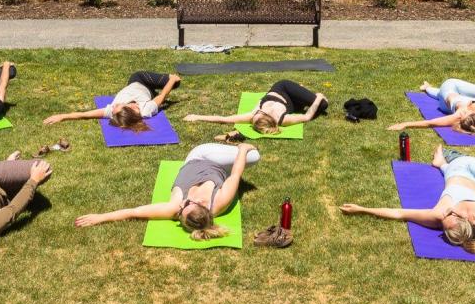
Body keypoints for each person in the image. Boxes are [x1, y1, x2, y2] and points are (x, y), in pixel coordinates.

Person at [340, 145, 475, 255]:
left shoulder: (438, 215)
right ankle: (446, 161)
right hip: (470, 173)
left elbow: (399, 213)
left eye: (444, 218)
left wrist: (362, 209)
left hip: (460, 169)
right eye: (447, 217)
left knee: (454, 169)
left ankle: (445, 161)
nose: (443, 215)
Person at [75, 142, 258, 239]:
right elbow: (236, 174)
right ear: (201, 205)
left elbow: (135, 212)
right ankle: (231, 147)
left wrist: (101, 217)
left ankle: (229, 148)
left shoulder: (174, 207)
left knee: (251, 155)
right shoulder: (220, 201)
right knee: (253, 155)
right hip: (204, 155)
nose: (179, 207)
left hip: (205, 162)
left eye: (180, 212)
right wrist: (242, 149)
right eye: (183, 209)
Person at [42, 71, 181, 132]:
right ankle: (167, 79)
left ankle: (163, 80)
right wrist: (172, 80)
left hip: (137, 80)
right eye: (118, 106)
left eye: (115, 107)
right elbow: (163, 96)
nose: (114, 106)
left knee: (172, 82)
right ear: (131, 108)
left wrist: (62, 116)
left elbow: (85, 115)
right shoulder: (147, 110)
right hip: (145, 86)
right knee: (175, 83)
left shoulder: (112, 112)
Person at [183, 80, 327, 136]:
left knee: (321, 104)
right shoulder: (283, 120)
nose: (256, 112)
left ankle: (300, 91)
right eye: (258, 112)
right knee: (323, 104)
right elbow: (307, 117)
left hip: (284, 88)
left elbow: (224, 119)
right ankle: (301, 94)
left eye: (258, 113)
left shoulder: (252, 116)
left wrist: (197, 116)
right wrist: (319, 97)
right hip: (287, 97)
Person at [389, 79, 475, 136]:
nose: (462, 113)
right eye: (465, 113)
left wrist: (405, 124)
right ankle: (429, 88)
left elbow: (430, 123)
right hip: (458, 90)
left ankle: (428, 88)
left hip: (449, 90)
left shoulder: (458, 116)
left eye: (461, 116)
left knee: (442, 93)